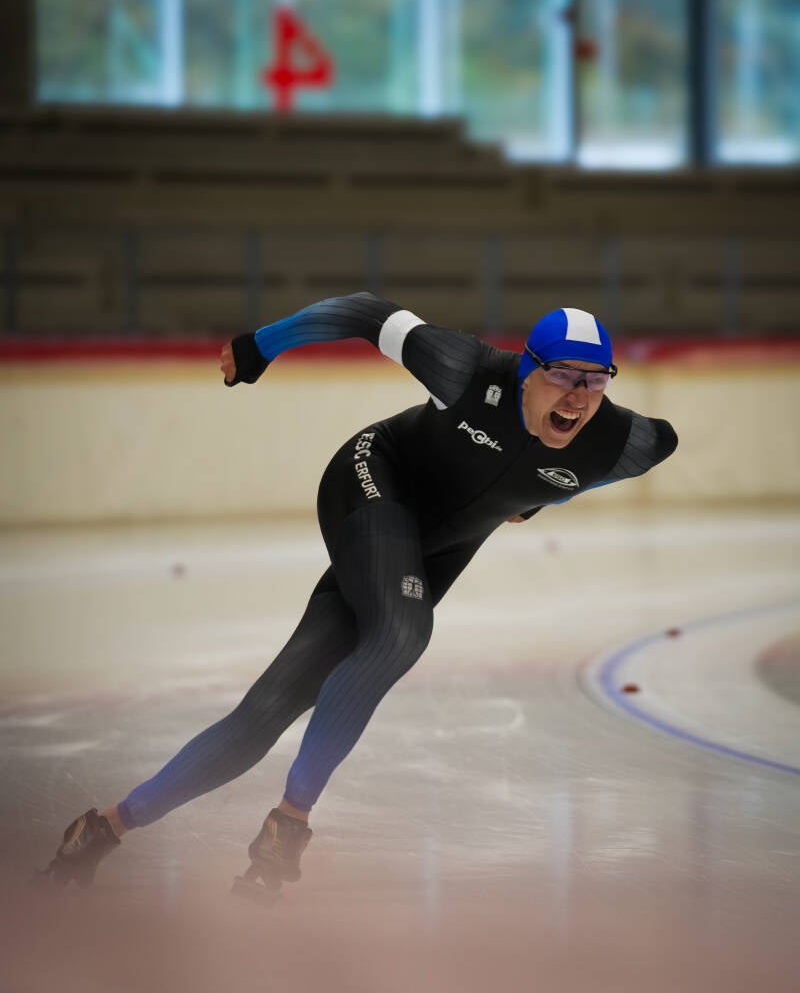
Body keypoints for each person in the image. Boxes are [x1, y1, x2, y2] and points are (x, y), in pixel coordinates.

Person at [37, 292, 677, 898]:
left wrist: (541, 499)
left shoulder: (624, 442)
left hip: (435, 546)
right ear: (526, 371)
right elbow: (367, 313)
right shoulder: (466, 368)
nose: (580, 396)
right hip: (372, 477)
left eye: (596, 380)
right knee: (404, 631)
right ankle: (289, 823)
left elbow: (650, 445)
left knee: (264, 714)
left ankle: (103, 828)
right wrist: (262, 345)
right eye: (565, 376)